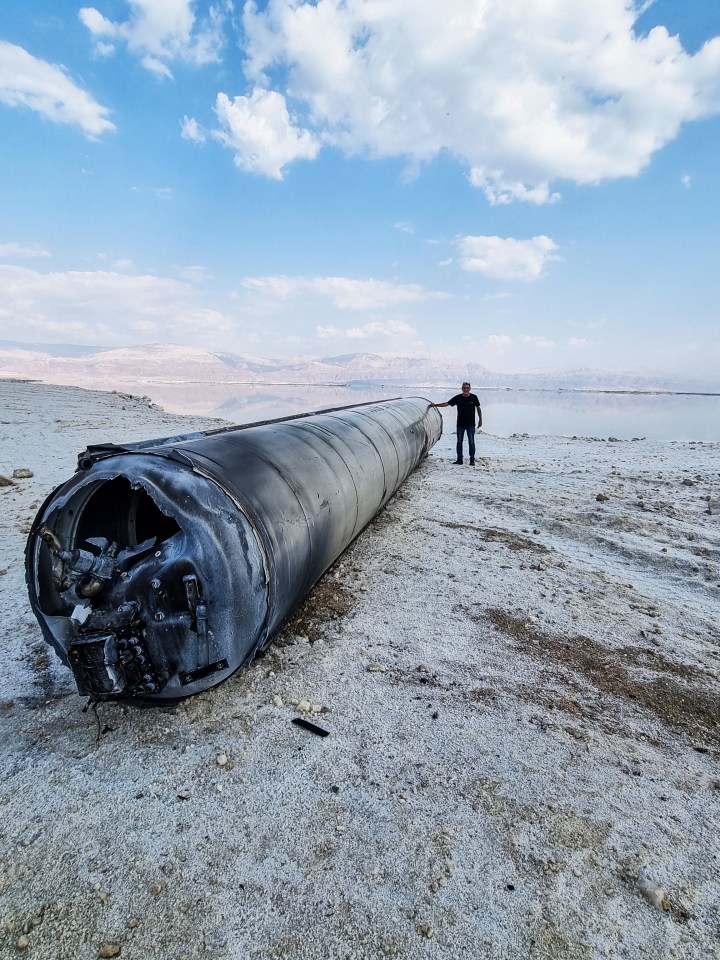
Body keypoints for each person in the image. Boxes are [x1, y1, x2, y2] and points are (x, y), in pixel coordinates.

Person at [430, 382, 482, 465]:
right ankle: (459, 459)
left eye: (467, 388)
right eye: (464, 388)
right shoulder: (458, 398)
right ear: (462, 388)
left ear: (470, 389)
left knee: (471, 442)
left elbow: (478, 408)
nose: (466, 389)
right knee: (459, 442)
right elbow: (446, 404)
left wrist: (480, 420)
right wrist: (435, 405)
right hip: (460, 424)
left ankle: (472, 460)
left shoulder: (474, 397)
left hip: (471, 424)